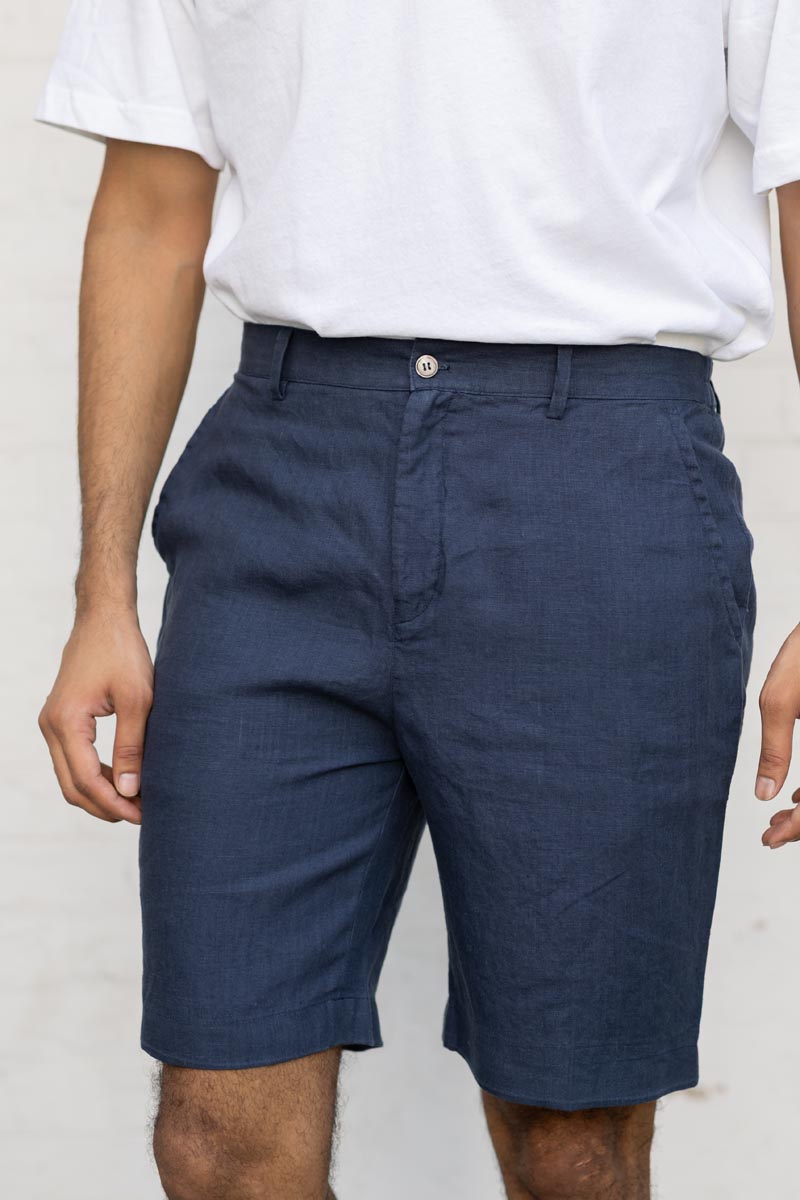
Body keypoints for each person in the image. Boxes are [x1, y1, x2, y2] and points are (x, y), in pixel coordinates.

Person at [35, 1, 800, 1197]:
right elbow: (147, 207)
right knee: (213, 1138)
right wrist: (100, 591)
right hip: (280, 467)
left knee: (572, 1135)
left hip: (595, 473)